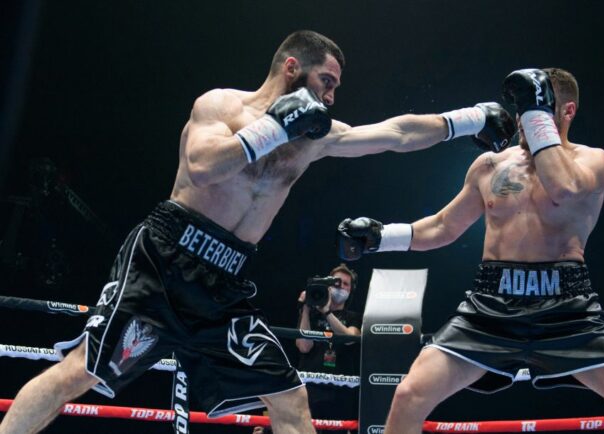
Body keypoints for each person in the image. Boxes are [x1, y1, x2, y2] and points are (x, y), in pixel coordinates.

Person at [0, 30, 515, 434]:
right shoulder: (222, 106)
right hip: (163, 260)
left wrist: (468, 119)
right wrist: (275, 127)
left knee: (290, 397)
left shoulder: (315, 139)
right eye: (327, 81)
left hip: (224, 284)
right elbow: (203, 167)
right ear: (293, 68)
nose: (332, 96)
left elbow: (395, 133)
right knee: (79, 373)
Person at [336, 68, 604, 433]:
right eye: (523, 107)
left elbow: (564, 189)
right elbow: (443, 226)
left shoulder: (593, 161)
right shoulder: (490, 165)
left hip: (566, 311)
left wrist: (537, 113)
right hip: (489, 308)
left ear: (566, 111)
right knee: (410, 395)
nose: (521, 117)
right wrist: (381, 236)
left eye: (536, 106)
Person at [295, 263, 361, 434]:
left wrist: (327, 312)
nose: (341, 287)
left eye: (345, 284)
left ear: (351, 290)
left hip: (340, 392)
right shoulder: (311, 315)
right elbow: (303, 346)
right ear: (328, 285)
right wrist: (306, 309)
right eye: (337, 282)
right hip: (311, 388)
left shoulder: (353, 317)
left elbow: (350, 338)